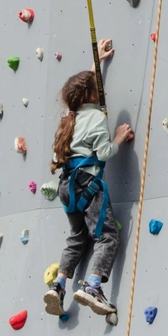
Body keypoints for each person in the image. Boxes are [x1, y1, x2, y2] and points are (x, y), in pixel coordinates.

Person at [44, 38, 134, 318]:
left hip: (67, 187)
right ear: (92, 96)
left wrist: (97, 61)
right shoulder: (94, 116)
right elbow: (104, 152)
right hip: (87, 183)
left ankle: (59, 285)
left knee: (77, 236)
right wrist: (118, 138)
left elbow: (81, 90)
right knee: (107, 235)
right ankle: (93, 285)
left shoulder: (70, 119)